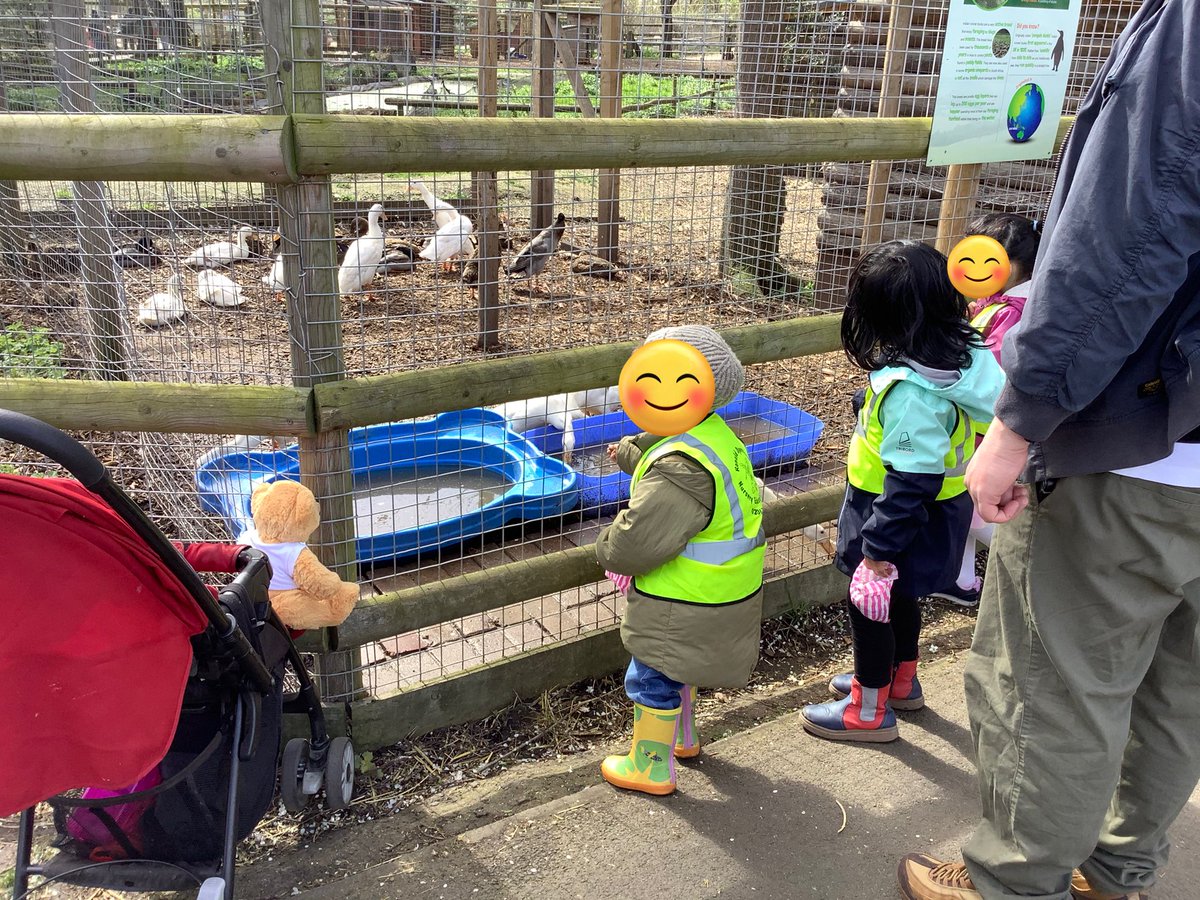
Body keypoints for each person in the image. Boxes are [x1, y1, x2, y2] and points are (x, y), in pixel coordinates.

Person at [896, 0, 1200, 897]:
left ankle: (1011, 884)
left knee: (1055, 687)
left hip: (1142, 449)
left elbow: (1130, 233)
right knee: (1180, 687)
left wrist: (1022, 417)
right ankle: (1116, 869)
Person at [801, 240, 1004, 742]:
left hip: (892, 513)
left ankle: (866, 710)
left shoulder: (911, 395)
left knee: (869, 604)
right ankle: (900, 681)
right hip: (940, 513)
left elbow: (911, 480)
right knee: (901, 596)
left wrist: (876, 553)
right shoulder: (960, 356)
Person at [594, 325, 765, 796]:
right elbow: (669, 463)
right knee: (677, 669)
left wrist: (607, 546)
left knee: (651, 674)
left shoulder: (681, 469)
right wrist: (633, 456)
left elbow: (637, 540)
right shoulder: (714, 436)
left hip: (683, 601)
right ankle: (682, 740)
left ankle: (651, 767)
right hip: (723, 592)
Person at [929, 211, 1041, 608]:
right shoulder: (996, 301)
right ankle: (960, 581)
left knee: (979, 504)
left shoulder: (1012, 312)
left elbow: (990, 374)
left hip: (990, 428)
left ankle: (1034, 576)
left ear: (1012, 266)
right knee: (961, 500)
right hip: (981, 425)